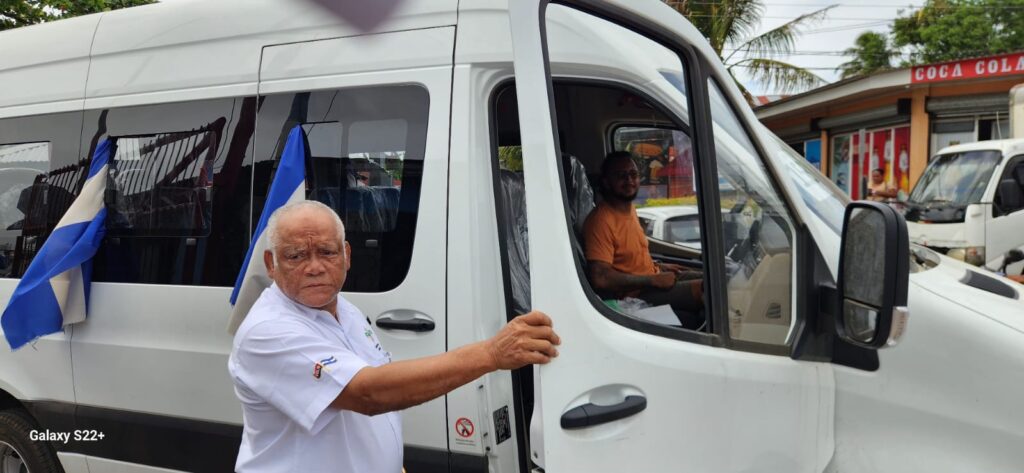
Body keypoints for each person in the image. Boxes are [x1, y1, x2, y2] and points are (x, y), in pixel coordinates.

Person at [228, 200, 560, 473]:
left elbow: (374, 397)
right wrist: (491, 354)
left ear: (347, 255)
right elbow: (368, 394)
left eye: (326, 252)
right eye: (297, 255)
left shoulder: (345, 310)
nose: (315, 267)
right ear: (271, 264)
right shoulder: (268, 330)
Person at [583, 151, 703, 328]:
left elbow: (629, 258)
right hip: (636, 295)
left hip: (653, 277)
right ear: (606, 182)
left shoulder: (629, 209)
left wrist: (659, 266)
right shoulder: (601, 221)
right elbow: (601, 278)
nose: (629, 181)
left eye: (633, 174)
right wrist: (652, 280)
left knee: (715, 277)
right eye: (621, 176)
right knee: (707, 290)